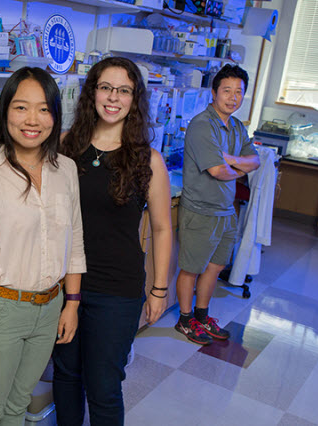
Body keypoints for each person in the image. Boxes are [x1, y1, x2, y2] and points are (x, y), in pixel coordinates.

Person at [0, 67, 86, 426]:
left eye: (44, 109)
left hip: (51, 306)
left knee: (18, 405)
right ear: (5, 113)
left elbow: (74, 239)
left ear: (55, 115)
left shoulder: (67, 170)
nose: (33, 119)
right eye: (21, 107)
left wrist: (71, 304)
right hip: (1, 308)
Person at [53, 57, 173, 425]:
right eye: (106, 87)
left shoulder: (147, 160)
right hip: (64, 286)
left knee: (103, 385)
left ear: (135, 99)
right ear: (92, 93)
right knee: (66, 378)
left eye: (124, 90)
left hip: (116, 290)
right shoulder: (64, 146)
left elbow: (163, 228)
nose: (113, 97)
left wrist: (158, 289)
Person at [174, 64, 260, 345]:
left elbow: (255, 161)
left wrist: (231, 160)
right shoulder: (202, 125)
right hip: (200, 210)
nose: (233, 97)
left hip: (226, 210)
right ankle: (185, 321)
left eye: (239, 92)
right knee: (191, 268)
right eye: (227, 91)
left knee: (214, 267)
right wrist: (237, 168)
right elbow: (217, 171)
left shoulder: (235, 126)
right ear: (213, 93)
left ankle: (201, 316)